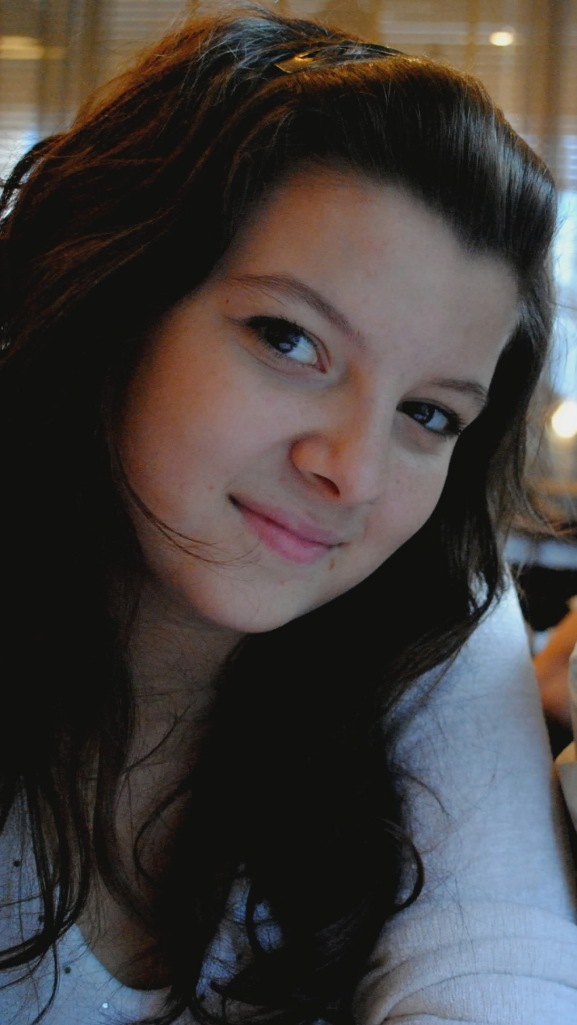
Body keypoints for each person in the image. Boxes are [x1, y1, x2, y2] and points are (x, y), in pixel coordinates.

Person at [0, 6, 576, 1024]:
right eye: (289, 339)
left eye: (427, 413)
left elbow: (498, 969)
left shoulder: (429, 608)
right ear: (114, 295)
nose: (351, 471)